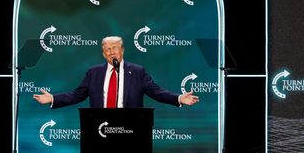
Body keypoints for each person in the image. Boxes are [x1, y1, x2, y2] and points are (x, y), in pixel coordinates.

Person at [33, 36, 199, 108]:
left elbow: (158, 93)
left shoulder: (137, 72)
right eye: (107, 50)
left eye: (115, 48)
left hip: (130, 130)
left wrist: (179, 98)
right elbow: (76, 95)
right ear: (103, 54)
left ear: (122, 51)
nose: (111, 52)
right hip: (100, 129)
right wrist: (52, 98)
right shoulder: (94, 73)